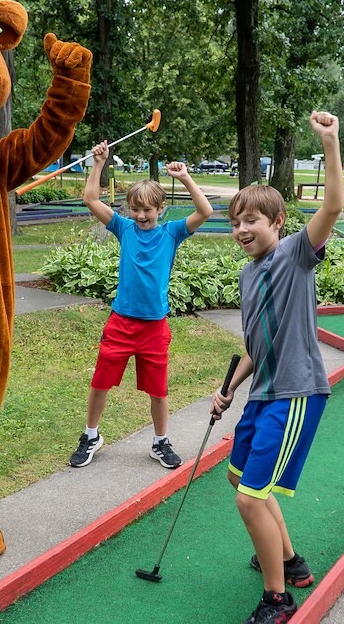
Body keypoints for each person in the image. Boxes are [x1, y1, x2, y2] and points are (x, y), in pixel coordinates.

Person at [212, 111, 343, 624]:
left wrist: (329, 143)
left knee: (250, 500)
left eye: (252, 221)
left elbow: (332, 205)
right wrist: (229, 389)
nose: (242, 229)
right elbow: (255, 345)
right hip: (262, 390)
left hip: (295, 393)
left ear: (277, 224)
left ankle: (277, 599)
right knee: (239, 478)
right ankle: (289, 560)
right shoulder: (248, 276)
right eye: (236, 221)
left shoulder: (295, 255)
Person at [68, 143, 215, 470]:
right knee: (100, 382)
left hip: (154, 328)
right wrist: (98, 163)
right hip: (121, 324)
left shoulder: (172, 232)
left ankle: (160, 442)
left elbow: (205, 211)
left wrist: (186, 177)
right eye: (135, 209)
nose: (141, 215)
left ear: (161, 209)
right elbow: (91, 199)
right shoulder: (123, 227)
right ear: (129, 209)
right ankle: (91, 435)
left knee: (158, 390)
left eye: (148, 209)